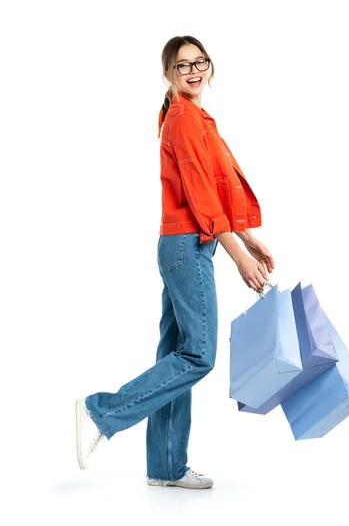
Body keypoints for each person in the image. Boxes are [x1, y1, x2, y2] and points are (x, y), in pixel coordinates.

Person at [75, 35, 275, 489]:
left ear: (209, 66)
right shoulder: (183, 118)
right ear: (168, 73)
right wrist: (239, 255)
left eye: (200, 61)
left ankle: (166, 467)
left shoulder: (192, 115)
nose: (193, 70)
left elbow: (213, 189)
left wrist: (248, 236)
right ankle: (101, 410)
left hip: (186, 244)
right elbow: (203, 198)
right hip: (188, 244)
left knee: (174, 353)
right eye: (183, 65)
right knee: (197, 355)